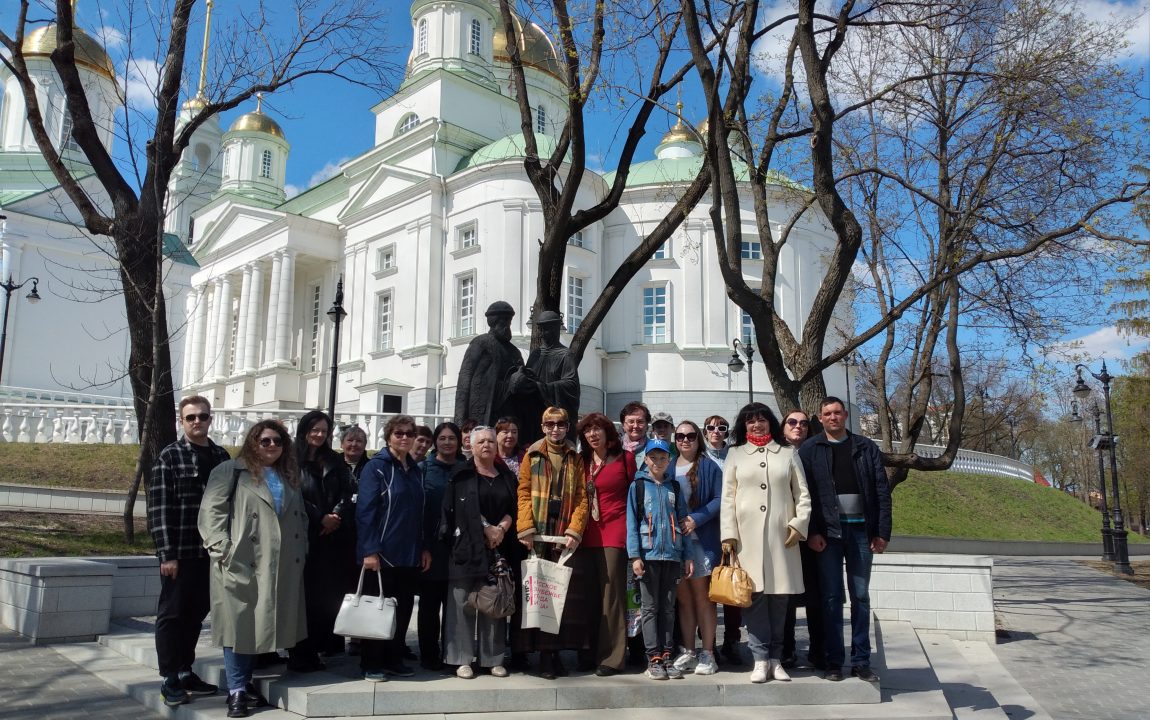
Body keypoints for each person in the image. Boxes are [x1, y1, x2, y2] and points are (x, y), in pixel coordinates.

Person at [198, 420, 307, 718]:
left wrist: (302, 549)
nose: (272, 446)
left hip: (278, 564)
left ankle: (244, 684)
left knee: (257, 625)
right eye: (265, 441)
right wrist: (224, 551)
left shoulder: (288, 476)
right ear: (252, 442)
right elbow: (211, 513)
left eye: (278, 441)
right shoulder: (229, 471)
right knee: (238, 625)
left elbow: (300, 517)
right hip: (242, 561)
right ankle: (236, 691)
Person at [799, 397, 891, 684]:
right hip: (828, 534)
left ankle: (862, 660)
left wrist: (882, 531)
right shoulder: (810, 449)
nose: (833, 417)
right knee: (831, 597)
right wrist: (813, 531)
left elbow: (880, 490)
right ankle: (834, 660)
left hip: (862, 532)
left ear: (846, 415)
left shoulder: (865, 447)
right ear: (821, 417)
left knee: (860, 596)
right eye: (827, 414)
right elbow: (805, 495)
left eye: (837, 413)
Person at [149, 396, 231, 707]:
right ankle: (169, 677)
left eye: (203, 417)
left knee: (197, 615)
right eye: (191, 418)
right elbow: (158, 509)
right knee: (172, 615)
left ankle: (185, 670)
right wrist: (166, 554)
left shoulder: (221, 456)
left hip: (211, 554)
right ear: (182, 422)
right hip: (180, 553)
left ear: (211, 419)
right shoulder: (170, 457)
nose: (197, 422)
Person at [720, 402, 811, 684]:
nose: (756, 425)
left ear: (771, 423)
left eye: (761, 420)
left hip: (782, 539)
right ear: (743, 426)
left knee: (780, 600)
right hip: (747, 540)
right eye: (750, 421)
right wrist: (728, 534)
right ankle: (759, 658)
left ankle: (776, 659)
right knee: (754, 599)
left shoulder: (787, 454)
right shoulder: (735, 454)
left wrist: (798, 524)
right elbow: (728, 498)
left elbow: (803, 495)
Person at [357, 414, 432, 682]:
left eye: (409, 434)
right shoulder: (376, 467)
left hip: (409, 553)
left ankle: (393, 658)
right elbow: (365, 511)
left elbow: (419, 513)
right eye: (398, 433)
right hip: (382, 554)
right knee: (377, 610)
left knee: (401, 611)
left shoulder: (414, 469)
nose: (404, 438)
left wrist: (423, 547)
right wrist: (369, 550)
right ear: (388, 436)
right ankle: (371, 662)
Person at [516, 406, 589, 679]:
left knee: (562, 596)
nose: (555, 429)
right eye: (550, 425)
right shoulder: (532, 455)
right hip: (540, 532)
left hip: (563, 532)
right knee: (542, 595)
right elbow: (523, 492)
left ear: (567, 427)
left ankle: (556, 652)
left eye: (560, 424)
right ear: (543, 427)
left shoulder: (575, 456)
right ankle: (545, 655)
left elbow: (582, 496)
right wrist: (525, 528)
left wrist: (575, 529)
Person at [440, 426, 519, 679]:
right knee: (461, 602)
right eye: (481, 442)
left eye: (490, 441)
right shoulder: (461, 474)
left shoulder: (506, 475)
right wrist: (487, 529)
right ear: (471, 447)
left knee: (493, 600)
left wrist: (502, 529)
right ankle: (461, 658)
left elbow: (515, 506)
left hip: (498, 548)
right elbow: (458, 510)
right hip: (466, 547)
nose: (486, 445)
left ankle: (492, 658)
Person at [289, 410, 354, 672]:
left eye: (324, 431)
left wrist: (336, 514)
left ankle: (316, 647)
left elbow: (349, 491)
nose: (319, 434)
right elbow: (293, 494)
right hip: (304, 535)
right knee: (303, 597)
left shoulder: (334, 459)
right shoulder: (291, 459)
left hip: (332, 539)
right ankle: (299, 651)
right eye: (314, 429)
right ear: (305, 430)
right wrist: (319, 517)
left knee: (326, 597)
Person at [575, 412, 636, 677]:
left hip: (614, 532)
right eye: (587, 430)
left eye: (597, 428)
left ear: (608, 433)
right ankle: (588, 652)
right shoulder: (581, 461)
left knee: (612, 596)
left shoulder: (625, 459)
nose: (592, 434)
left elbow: (636, 497)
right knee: (588, 596)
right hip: (584, 534)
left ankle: (612, 657)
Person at [626, 438, 692, 681]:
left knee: (668, 607)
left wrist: (685, 556)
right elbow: (632, 523)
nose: (658, 462)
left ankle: (667, 654)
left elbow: (683, 522)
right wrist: (635, 556)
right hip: (648, 555)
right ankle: (653, 656)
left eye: (663, 457)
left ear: (669, 460)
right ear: (646, 459)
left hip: (672, 556)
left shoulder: (674, 487)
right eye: (653, 457)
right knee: (650, 608)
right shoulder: (638, 486)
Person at [669, 420, 722, 676]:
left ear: (698, 438)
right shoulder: (668, 466)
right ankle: (688, 651)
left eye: (690, 435)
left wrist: (695, 519)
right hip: (675, 544)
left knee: (703, 599)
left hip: (701, 542)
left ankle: (708, 652)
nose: (685, 440)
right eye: (680, 436)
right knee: (684, 600)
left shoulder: (709, 467)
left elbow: (719, 499)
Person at [418, 421, 466, 670]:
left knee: (455, 604)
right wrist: (424, 546)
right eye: (443, 438)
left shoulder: (466, 468)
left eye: (452, 438)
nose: (447, 442)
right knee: (429, 603)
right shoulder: (423, 469)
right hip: (432, 547)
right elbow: (419, 511)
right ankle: (428, 653)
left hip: (459, 547)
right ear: (436, 441)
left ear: (459, 442)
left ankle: (452, 652)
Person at [780, 409, 825, 671]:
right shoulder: (776, 454)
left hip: (811, 534)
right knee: (785, 597)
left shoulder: (813, 452)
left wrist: (814, 530)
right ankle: (786, 649)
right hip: (785, 535)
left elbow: (820, 496)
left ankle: (819, 650)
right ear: (783, 426)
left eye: (804, 423)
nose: (798, 427)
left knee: (814, 596)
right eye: (792, 422)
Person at [702, 413, 742, 665]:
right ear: (704, 432)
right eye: (711, 428)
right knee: (707, 588)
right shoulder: (699, 457)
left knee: (732, 585)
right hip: (707, 527)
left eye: (722, 428)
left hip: (733, 529)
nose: (716, 431)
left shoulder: (734, 455)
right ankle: (708, 642)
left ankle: (732, 640)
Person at [454, 301, 531, 427]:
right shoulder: (481, 342)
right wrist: (459, 423)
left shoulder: (514, 351)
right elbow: (464, 381)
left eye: (509, 321)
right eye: (504, 320)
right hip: (484, 412)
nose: (508, 325)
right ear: (494, 321)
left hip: (509, 414)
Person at [516, 310, 580, 445]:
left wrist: (542, 387)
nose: (546, 333)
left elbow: (571, 384)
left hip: (553, 416)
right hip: (534, 414)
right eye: (543, 329)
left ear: (557, 329)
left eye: (550, 329)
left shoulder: (565, 354)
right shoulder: (535, 355)